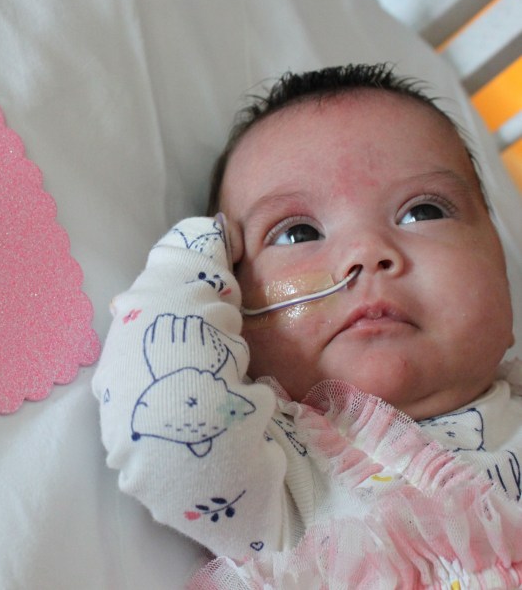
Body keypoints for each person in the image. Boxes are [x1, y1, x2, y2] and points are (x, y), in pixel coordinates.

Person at [93, 63, 522, 588]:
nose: (366, 255)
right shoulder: (278, 470)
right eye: (296, 233)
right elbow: (163, 433)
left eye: (423, 212)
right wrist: (187, 259)